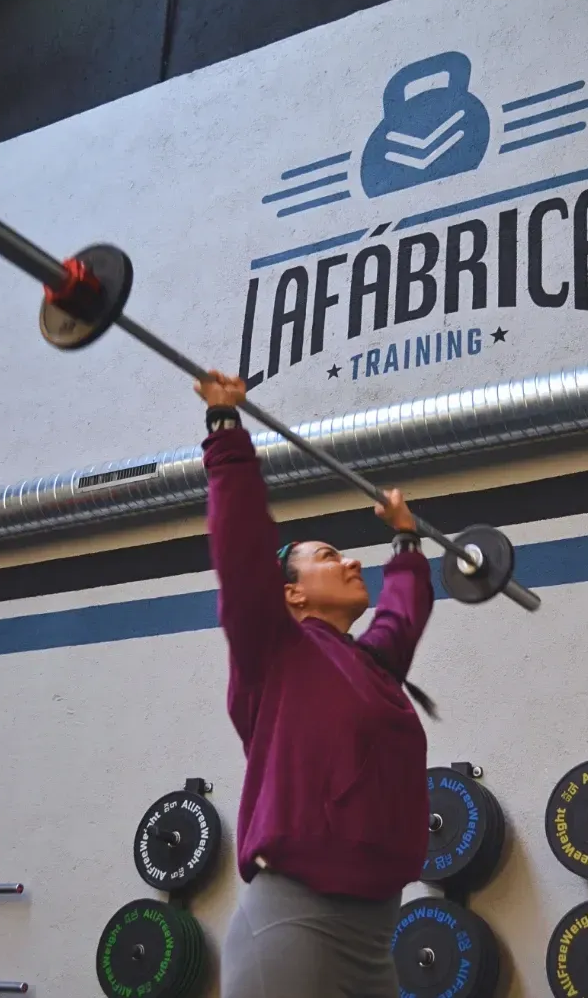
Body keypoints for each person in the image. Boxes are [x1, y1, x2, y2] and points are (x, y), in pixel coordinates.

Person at [194, 371, 437, 998]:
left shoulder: (370, 667)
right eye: (330, 556)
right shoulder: (275, 652)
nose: (352, 561)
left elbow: (402, 616)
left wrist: (406, 540)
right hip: (297, 926)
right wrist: (226, 432)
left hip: (378, 931)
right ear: (291, 592)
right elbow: (243, 549)